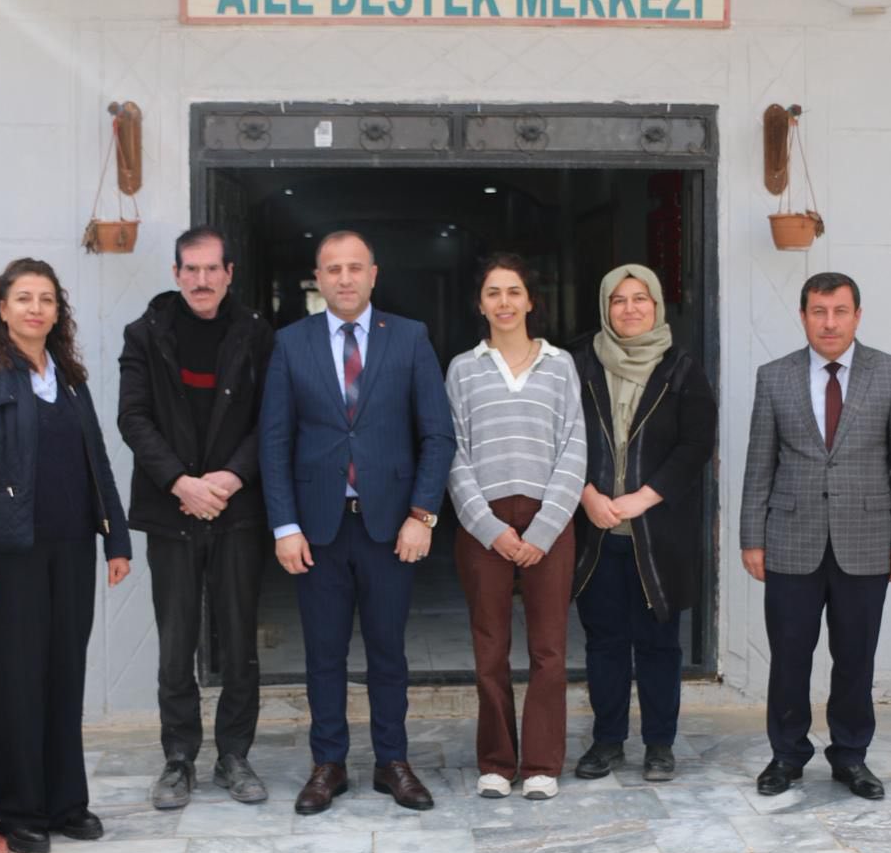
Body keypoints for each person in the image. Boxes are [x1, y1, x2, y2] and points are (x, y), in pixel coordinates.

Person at [258, 230, 456, 815]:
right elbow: (274, 442)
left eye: (354, 267)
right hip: (316, 528)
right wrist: (283, 526)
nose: (344, 278)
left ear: (374, 273)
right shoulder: (290, 344)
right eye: (332, 269)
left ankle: (392, 762)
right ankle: (329, 764)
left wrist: (422, 514)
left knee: (389, 652)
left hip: (391, 527)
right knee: (323, 653)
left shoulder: (411, 338)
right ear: (318, 279)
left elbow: (437, 434)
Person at [0, 257, 132, 853]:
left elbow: (97, 463)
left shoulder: (70, 380)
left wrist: (116, 539)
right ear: (1, 309)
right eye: (23, 298)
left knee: (63, 676)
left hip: (72, 548)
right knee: (15, 681)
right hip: (8, 558)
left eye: (46, 299)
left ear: (58, 312)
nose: (35, 309)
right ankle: (19, 810)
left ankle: (65, 803)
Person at [739, 271, 891, 801]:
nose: (829, 322)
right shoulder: (774, 377)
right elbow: (759, 464)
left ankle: (850, 756)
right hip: (790, 540)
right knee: (790, 655)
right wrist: (753, 537)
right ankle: (786, 755)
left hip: (866, 539)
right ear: (802, 317)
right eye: (818, 311)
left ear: (857, 315)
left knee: (856, 657)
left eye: (840, 311)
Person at [118, 226, 275, 810]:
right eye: (191, 269)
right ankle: (178, 758)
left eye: (213, 269)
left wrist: (230, 479)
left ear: (229, 272)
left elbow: (271, 419)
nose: (202, 280)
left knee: (239, 642)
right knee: (175, 640)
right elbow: (133, 418)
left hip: (236, 509)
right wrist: (181, 483)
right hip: (172, 509)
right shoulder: (145, 334)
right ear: (176, 274)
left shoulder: (257, 335)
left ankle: (234, 755)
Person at [446, 254, 586, 801]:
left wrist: (545, 529)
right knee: (490, 649)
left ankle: (543, 764)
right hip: (485, 523)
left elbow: (575, 447)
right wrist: (489, 528)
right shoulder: (463, 368)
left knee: (550, 650)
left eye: (513, 291)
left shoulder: (561, 365)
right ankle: (498, 763)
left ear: (530, 300)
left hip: (548, 519)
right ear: (480, 304)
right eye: (492, 293)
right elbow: (453, 452)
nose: (504, 302)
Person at [572, 265, 717, 783]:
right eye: (618, 299)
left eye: (641, 299)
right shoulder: (579, 363)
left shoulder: (682, 368)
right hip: (595, 530)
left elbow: (695, 444)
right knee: (604, 641)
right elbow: (560, 435)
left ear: (657, 305)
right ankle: (607, 741)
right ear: (604, 307)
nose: (630, 309)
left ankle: (659, 744)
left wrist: (642, 499)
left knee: (659, 644)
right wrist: (587, 494)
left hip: (658, 535)